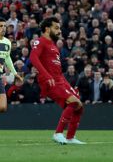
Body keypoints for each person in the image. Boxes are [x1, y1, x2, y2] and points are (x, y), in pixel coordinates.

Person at [30, 16, 85, 145]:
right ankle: (58, 133)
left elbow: (56, 67)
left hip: (60, 79)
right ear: (47, 29)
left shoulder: (54, 45)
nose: (59, 31)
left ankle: (70, 137)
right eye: (56, 28)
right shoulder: (40, 41)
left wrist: (66, 82)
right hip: (49, 80)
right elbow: (33, 57)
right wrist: (47, 76)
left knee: (79, 106)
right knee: (73, 102)